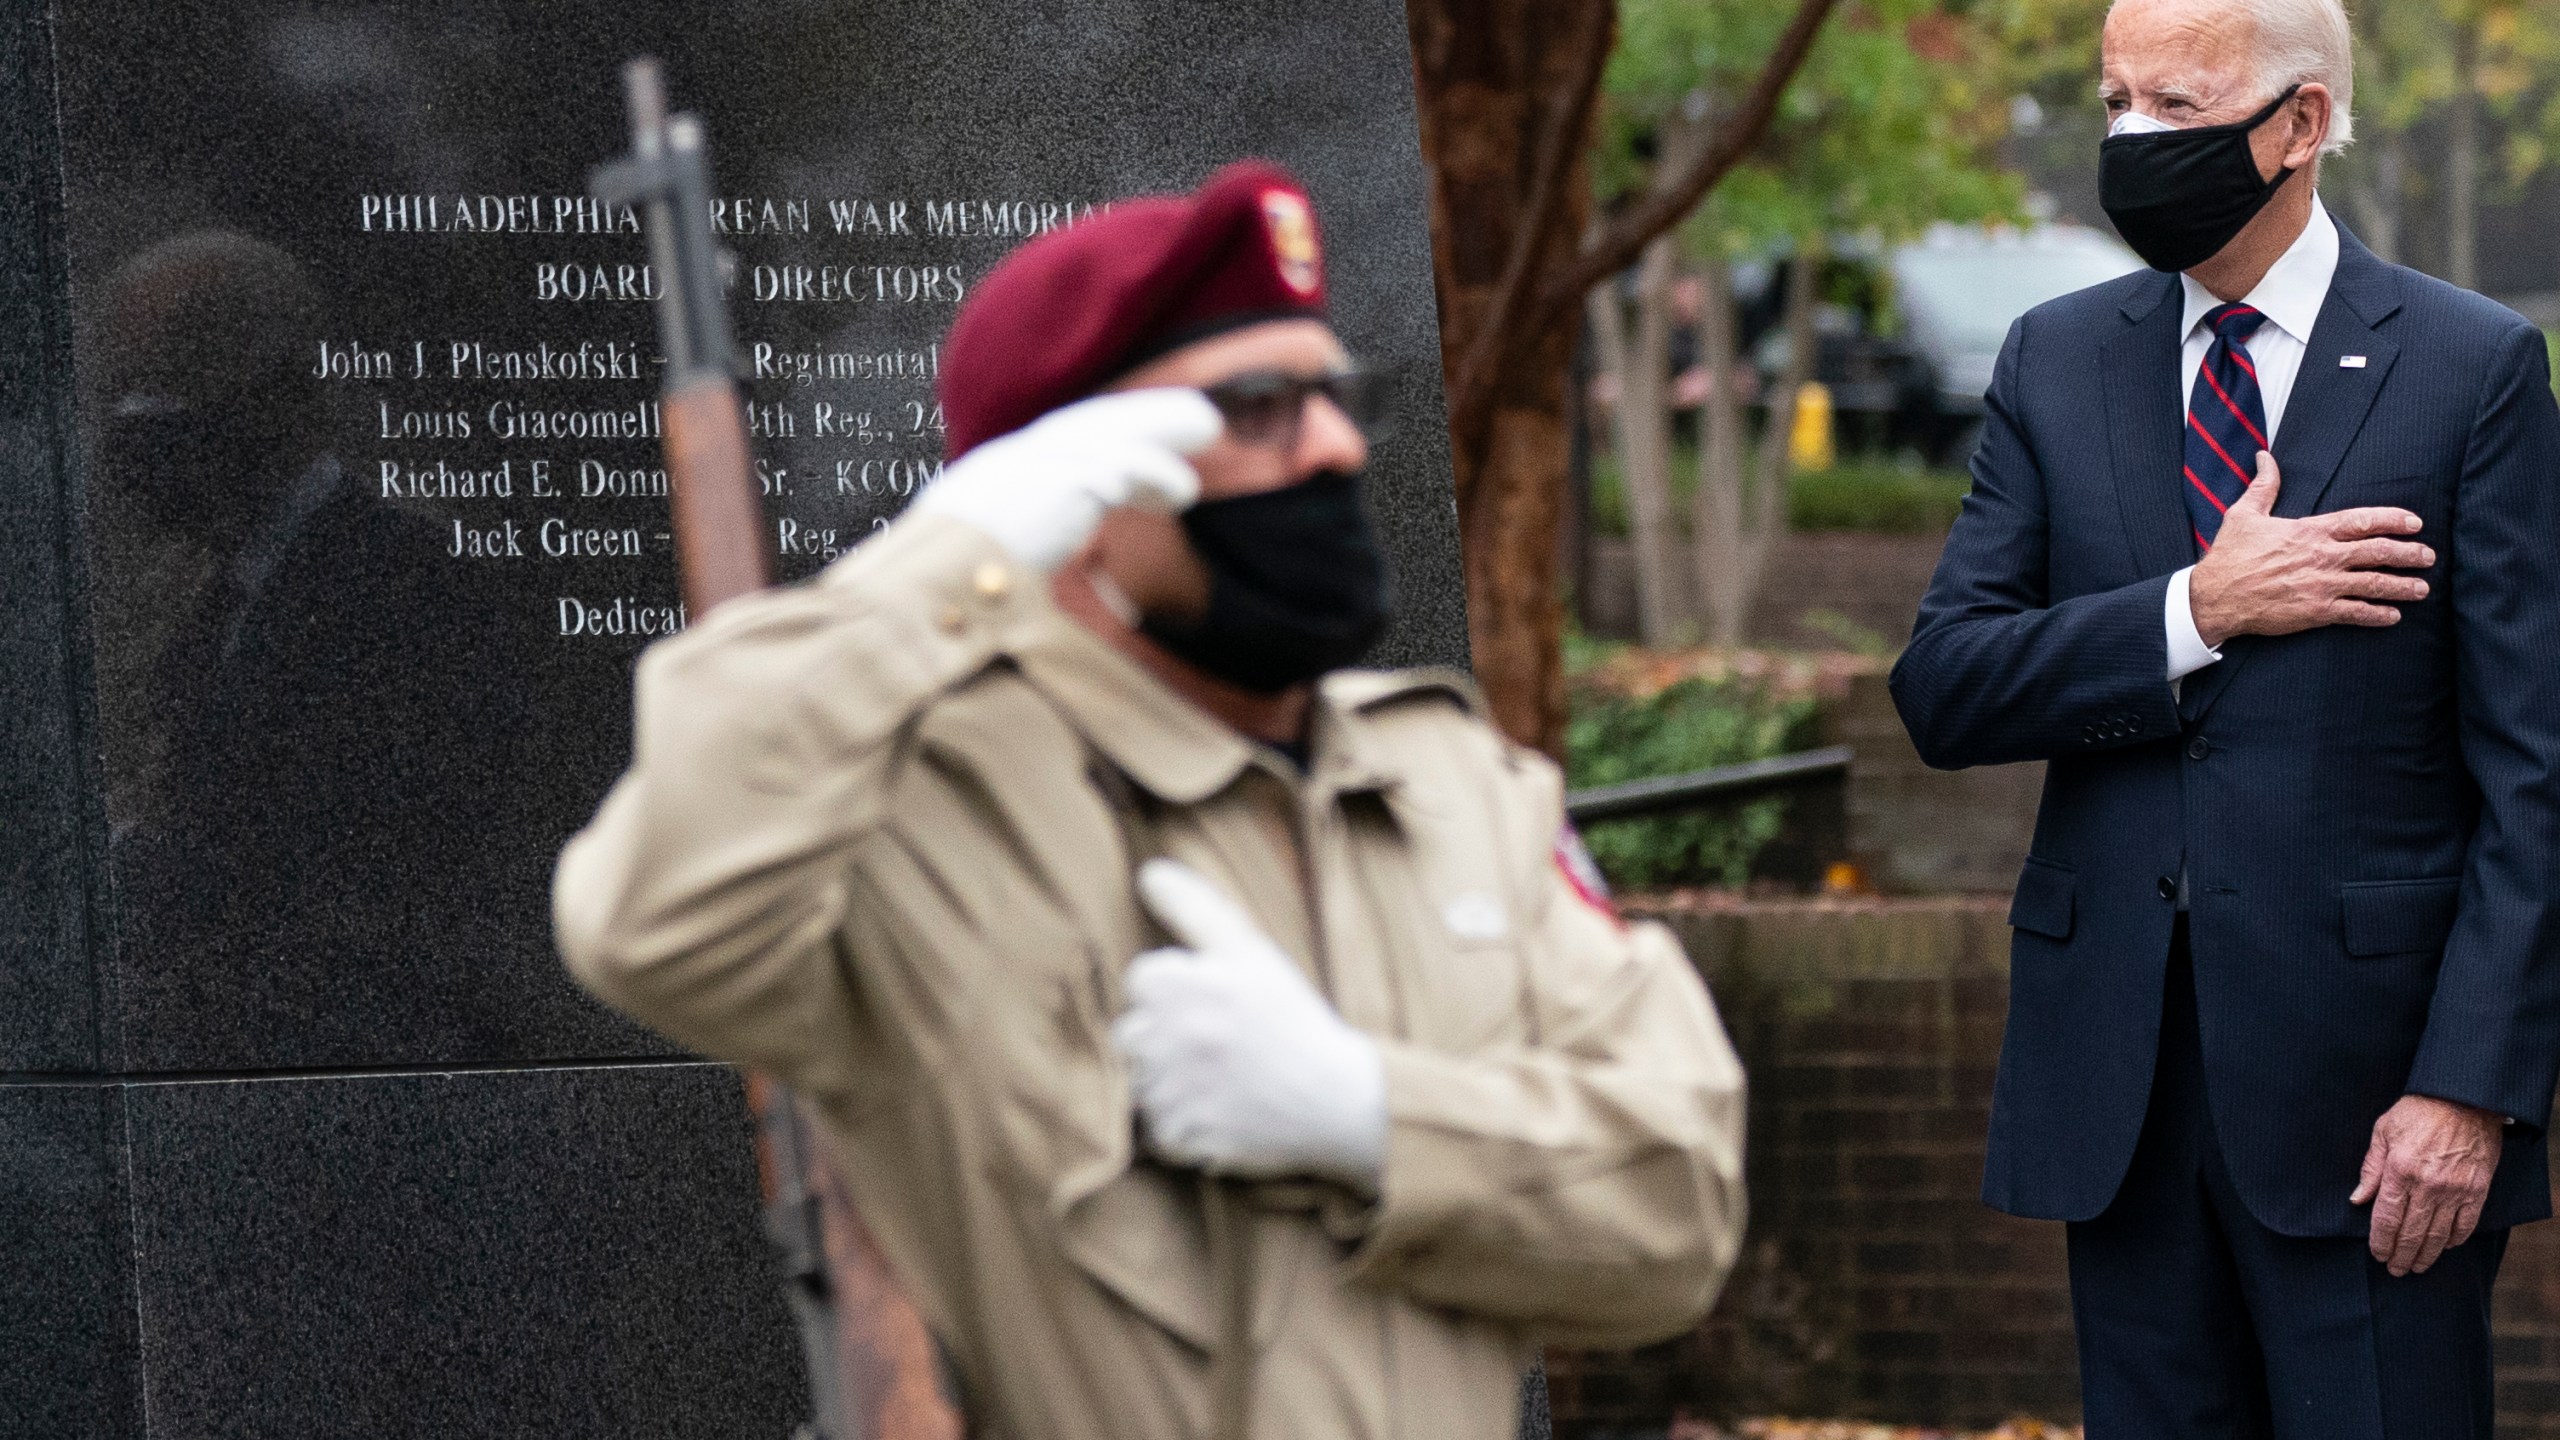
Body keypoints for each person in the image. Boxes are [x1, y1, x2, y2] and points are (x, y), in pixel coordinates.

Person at [555, 160, 1746, 1440]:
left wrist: (1369, 1117)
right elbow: (650, 918)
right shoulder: (924, 812)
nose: (1337, 446)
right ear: (1079, 499)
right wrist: (944, 563)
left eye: (1336, 398)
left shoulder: (1455, 790)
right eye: (1257, 408)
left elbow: (1678, 1211)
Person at [1890, 0, 2560, 1432]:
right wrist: (2197, 608)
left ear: (2301, 123)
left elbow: (2536, 774)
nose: (2131, 139)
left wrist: (2471, 1090)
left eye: (2176, 108)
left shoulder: (2473, 368)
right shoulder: (2052, 360)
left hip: (2377, 1114)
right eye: (2114, 100)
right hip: (2116, 1105)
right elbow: (1945, 688)